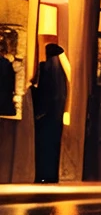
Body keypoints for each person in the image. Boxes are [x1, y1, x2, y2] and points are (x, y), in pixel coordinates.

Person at [32, 43, 69, 184]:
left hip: (45, 113)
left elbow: (43, 93)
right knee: (53, 145)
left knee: (43, 145)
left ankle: (42, 174)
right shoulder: (60, 71)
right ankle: (51, 175)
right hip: (55, 114)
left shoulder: (45, 67)